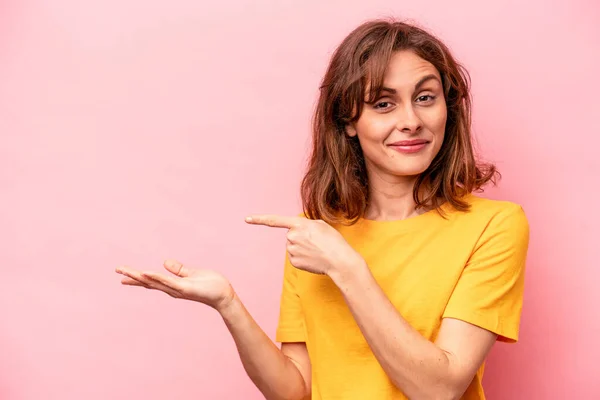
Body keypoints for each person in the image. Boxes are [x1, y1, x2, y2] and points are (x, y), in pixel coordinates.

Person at [115, 18, 529, 400]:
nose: (411, 120)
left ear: (448, 108)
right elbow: (296, 390)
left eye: (425, 97)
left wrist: (346, 268)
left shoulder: (494, 226)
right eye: (383, 104)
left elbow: (438, 389)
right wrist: (228, 304)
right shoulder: (317, 237)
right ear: (348, 120)